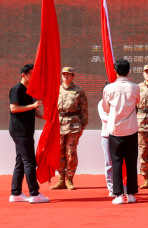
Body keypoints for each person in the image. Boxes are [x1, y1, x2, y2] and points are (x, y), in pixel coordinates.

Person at [102, 59, 141, 204]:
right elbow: (137, 102)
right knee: (131, 161)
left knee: (116, 162)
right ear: (129, 71)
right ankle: (131, 194)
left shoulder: (109, 88)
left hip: (115, 130)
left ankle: (118, 195)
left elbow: (106, 108)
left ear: (115, 71)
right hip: (131, 129)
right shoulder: (135, 87)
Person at [8, 64, 49, 204]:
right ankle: (34, 193)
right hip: (20, 131)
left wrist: (46, 117)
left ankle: (16, 193)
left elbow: (34, 111)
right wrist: (33, 105)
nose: (34, 78)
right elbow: (14, 108)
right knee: (29, 161)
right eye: (32, 75)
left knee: (20, 161)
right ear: (23, 75)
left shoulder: (30, 91)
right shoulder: (17, 89)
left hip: (26, 130)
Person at [51, 67, 88, 191]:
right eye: (64, 75)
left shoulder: (79, 91)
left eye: (68, 75)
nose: (66, 77)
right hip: (59, 125)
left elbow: (84, 109)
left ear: (73, 76)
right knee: (59, 152)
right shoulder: (56, 90)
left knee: (71, 153)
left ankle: (69, 179)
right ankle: (61, 179)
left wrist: (83, 126)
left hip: (73, 125)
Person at [98, 98, 114, 196]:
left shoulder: (119, 100)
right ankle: (112, 188)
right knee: (109, 162)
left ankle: (123, 186)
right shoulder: (101, 103)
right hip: (106, 135)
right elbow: (104, 117)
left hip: (120, 134)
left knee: (121, 162)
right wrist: (119, 118)